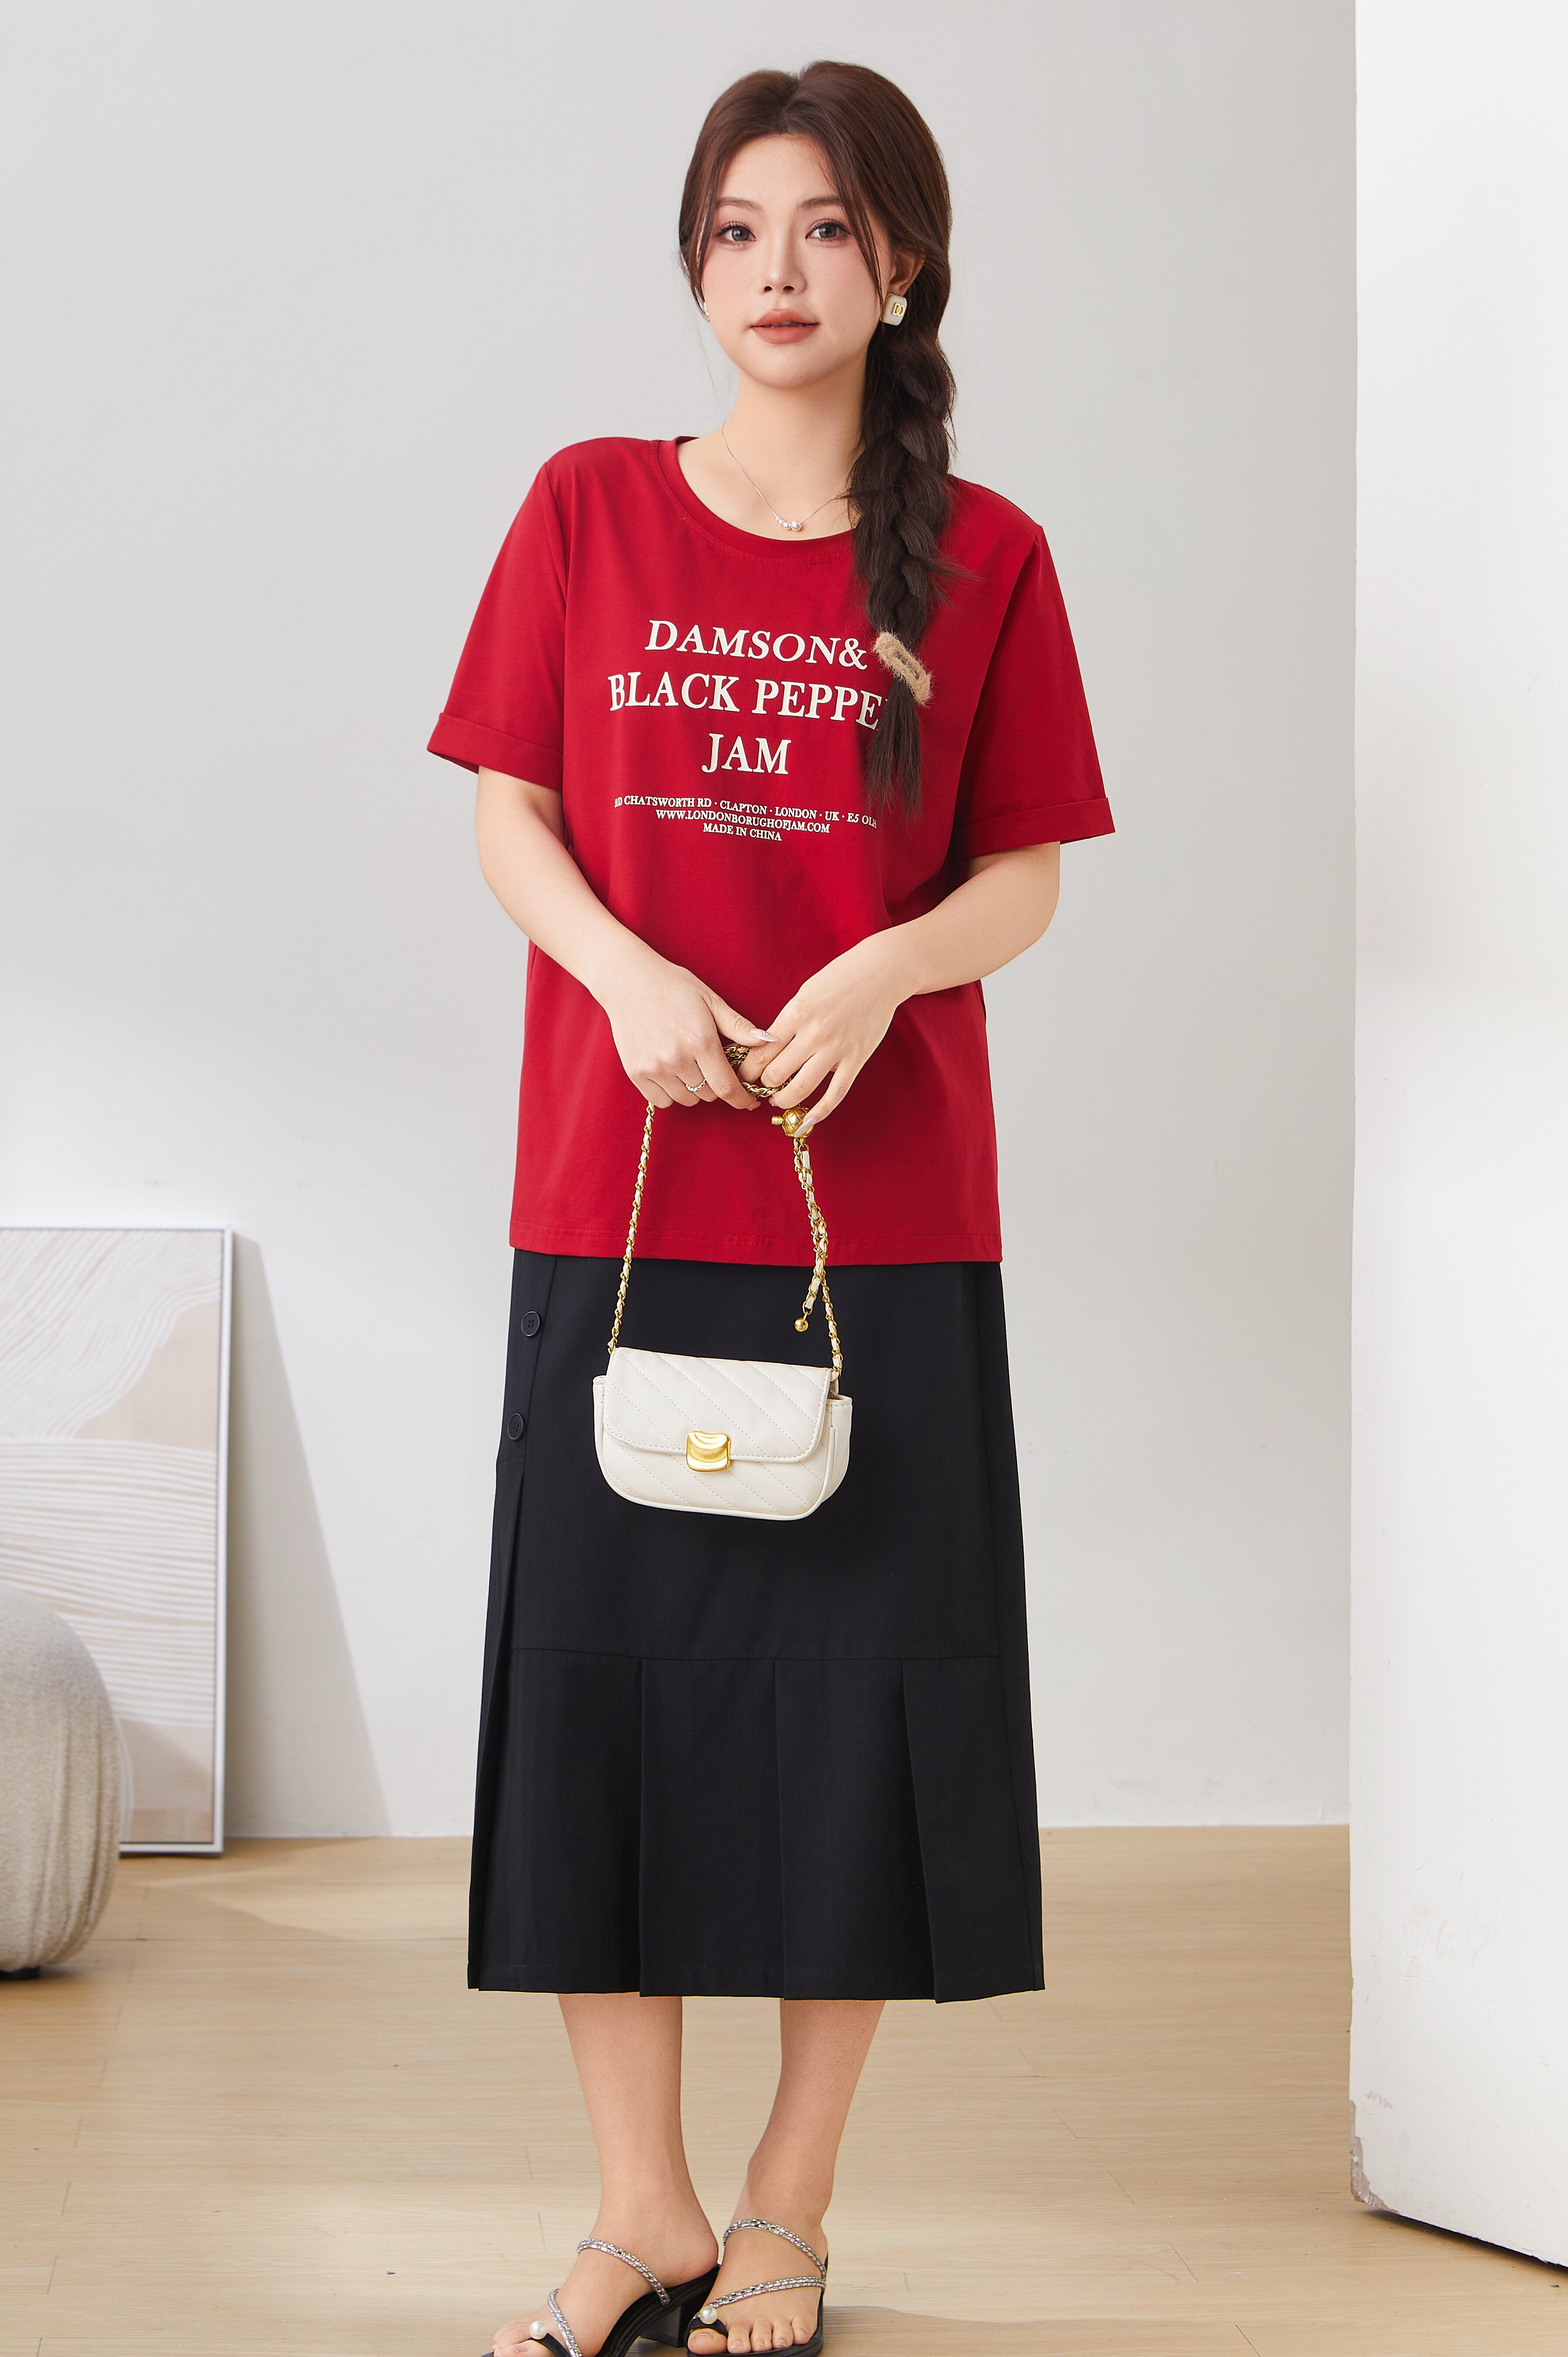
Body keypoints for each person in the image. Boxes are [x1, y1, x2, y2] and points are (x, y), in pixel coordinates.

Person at [428, 58, 1113, 2357]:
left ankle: (789, 2206)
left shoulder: (988, 553)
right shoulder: (588, 506)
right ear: (694, 265)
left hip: (881, 1222)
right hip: (614, 1190)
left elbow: (1021, 872)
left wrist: (883, 968)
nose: (778, 271)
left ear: (900, 264)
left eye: (826, 228)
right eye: (737, 229)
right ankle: (639, 2208)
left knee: (857, 1721)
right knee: (599, 1703)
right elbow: (511, 806)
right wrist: (625, 973)